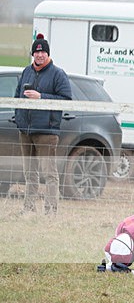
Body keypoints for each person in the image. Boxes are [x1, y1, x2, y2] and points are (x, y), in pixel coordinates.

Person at [13, 34, 72, 215]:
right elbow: (17, 97)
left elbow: (66, 99)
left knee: (49, 174)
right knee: (29, 173)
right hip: (26, 131)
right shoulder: (26, 72)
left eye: (43, 52)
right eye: (37, 52)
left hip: (46, 131)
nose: (40, 55)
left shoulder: (58, 74)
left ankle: (50, 210)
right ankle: (28, 208)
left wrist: (41, 97)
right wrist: (19, 118)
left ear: (48, 54)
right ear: (33, 54)